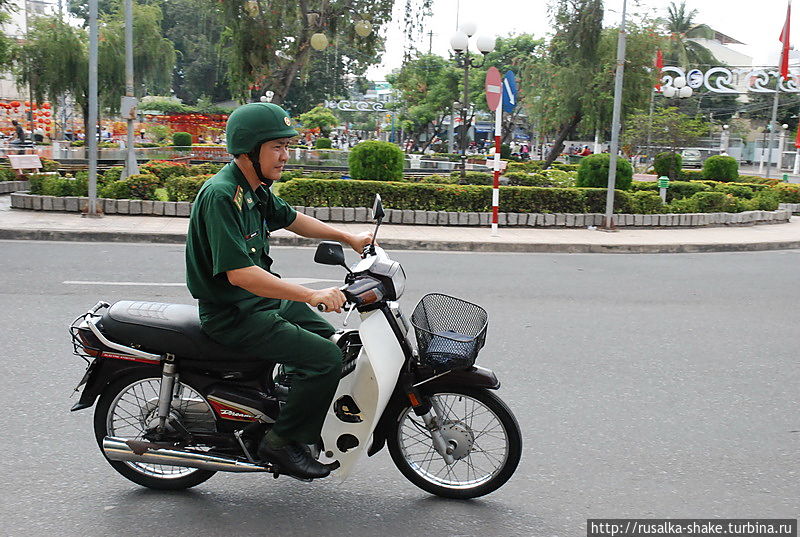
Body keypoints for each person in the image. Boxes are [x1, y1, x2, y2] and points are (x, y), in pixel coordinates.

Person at [185, 102, 372, 480]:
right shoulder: (223, 195)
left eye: (287, 147)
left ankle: (286, 406)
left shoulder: (253, 187)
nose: (285, 156)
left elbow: (292, 220)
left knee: (332, 338)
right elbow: (240, 275)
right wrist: (310, 294)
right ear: (248, 151)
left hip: (261, 303)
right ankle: (280, 442)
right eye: (276, 147)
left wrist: (348, 236)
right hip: (234, 314)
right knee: (323, 359)